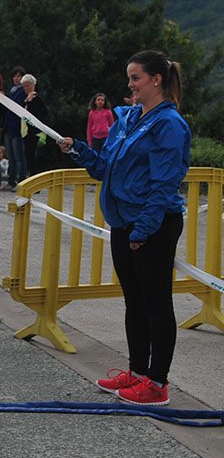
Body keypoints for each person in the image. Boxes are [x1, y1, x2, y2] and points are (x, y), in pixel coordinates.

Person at [58, 50, 190, 406]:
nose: (130, 85)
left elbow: (165, 183)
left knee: (157, 303)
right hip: (123, 221)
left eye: (136, 78)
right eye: (129, 78)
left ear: (156, 80)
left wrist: (143, 230)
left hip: (153, 224)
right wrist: (79, 151)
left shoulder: (169, 125)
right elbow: (104, 168)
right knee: (135, 301)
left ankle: (157, 383)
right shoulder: (129, 118)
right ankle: (136, 371)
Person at [20, 74, 51, 178]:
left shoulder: (37, 98)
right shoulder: (26, 99)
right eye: (24, 86)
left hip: (34, 132)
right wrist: (27, 101)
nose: (26, 88)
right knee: (28, 157)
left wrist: (29, 101)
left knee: (33, 157)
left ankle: (35, 179)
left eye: (28, 86)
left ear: (33, 85)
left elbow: (41, 114)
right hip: (26, 132)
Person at [1, 66, 27, 189]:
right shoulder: (11, 91)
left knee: (19, 156)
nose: (16, 79)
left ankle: (21, 180)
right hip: (8, 128)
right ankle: (11, 181)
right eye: (15, 76)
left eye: (19, 76)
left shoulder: (23, 91)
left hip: (17, 128)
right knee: (10, 156)